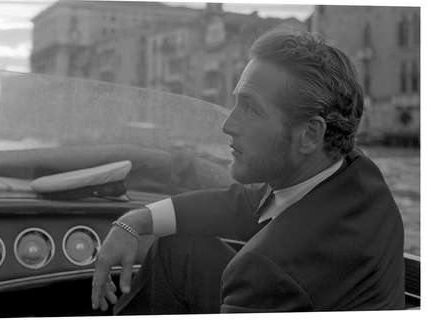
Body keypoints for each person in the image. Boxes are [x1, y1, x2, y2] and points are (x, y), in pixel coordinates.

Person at [91, 28, 405, 313]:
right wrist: (135, 221)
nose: (228, 125)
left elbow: (267, 263)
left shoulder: (266, 269)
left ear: (310, 135)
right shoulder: (359, 175)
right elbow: (245, 203)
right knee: (178, 249)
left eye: (251, 109)